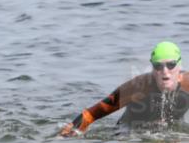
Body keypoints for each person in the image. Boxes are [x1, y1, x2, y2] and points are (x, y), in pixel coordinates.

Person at [59, 42, 187, 136]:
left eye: (171, 65)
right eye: (158, 66)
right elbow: (92, 113)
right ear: (152, 68)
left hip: (169, 131)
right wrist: (68, 134)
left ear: (179, 66)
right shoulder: (137, 87)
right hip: (129, 131)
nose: (165, 71)